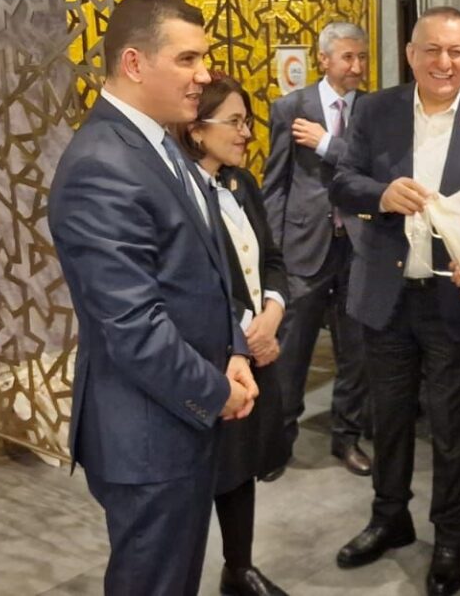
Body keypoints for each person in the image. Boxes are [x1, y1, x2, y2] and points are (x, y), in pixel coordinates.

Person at [48, 0, 258, 595]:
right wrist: (216, 392)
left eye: (204, 58)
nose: (204, 75)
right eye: (188, 59)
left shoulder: (160, 146)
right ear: (135, 63)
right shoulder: (102, 164)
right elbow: (132, 326)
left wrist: (234, 349)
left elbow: (207, 272)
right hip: (147, 434)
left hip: (180, 418)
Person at [328, 6, 460, 595]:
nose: (445, 62)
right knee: (389, 420)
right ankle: (389, 518)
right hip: (387, 295)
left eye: (457, 52)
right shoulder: (375, 110)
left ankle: (450, 535)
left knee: (452, 427)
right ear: (411, 54)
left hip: (456, 298)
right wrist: (381, 193)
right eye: (433, 50)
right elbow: (341, 181)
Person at [173, 72, 292, 596]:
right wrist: (248, 330)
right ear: (197, 129)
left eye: (247, 122)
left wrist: (273, 312)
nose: (246, 133)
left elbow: (272, 259)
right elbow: (190, 283)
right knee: (206, 470)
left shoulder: (242, 184)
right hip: (209, 355)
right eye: (235, 122)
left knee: (241, 463)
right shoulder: (178, 194)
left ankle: (238, 567)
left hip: (255, 345)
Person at [262, 21, 372, 478]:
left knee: (356, 352)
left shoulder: (373, 110)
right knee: (291, 352)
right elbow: (275, 183)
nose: (357, 66)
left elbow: (375, 169)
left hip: (359, 246)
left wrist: (327, 144)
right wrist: (273, 253)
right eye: (348, 57)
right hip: (303, 248)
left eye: (362, 57)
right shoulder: (291, 108)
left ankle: (347, 437)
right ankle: (278, 441)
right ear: (323, 59)